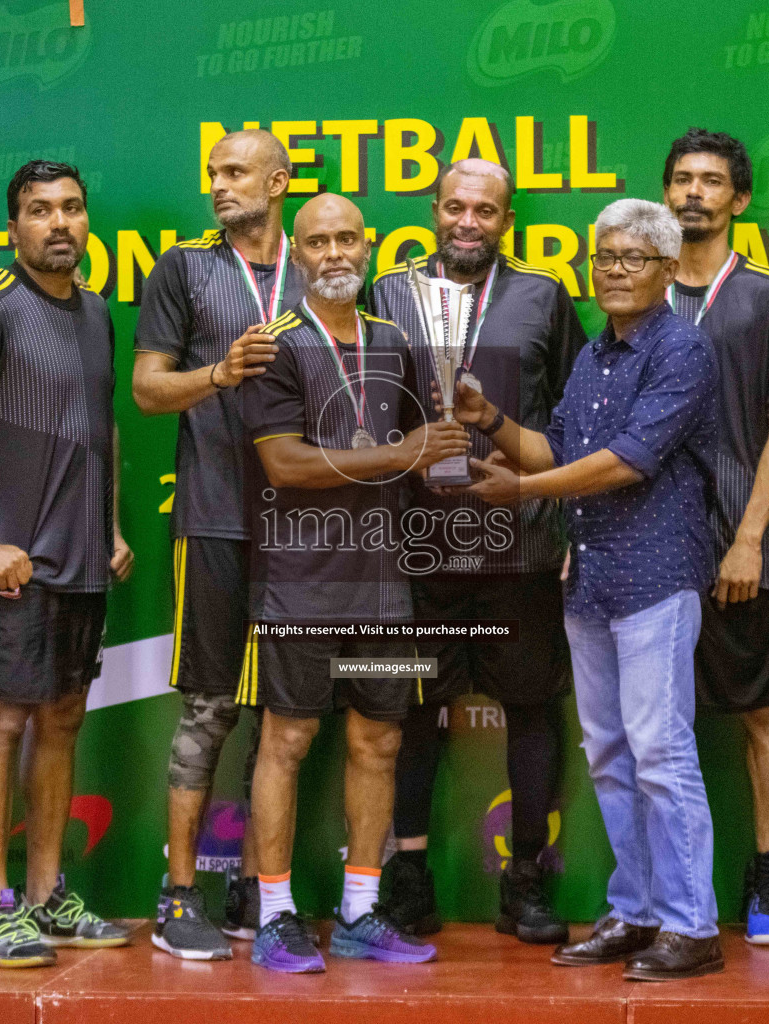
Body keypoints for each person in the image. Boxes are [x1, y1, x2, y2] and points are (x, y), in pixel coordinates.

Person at [458, 198, 722, 981]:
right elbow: (560, 446)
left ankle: (691, 925)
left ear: (669, 270)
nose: (612, 269)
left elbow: (626, 462)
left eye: (632, 258)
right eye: (603, 256)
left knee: (661, 753)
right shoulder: (593, 355)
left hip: (657, 579)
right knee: (609, 754)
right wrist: (494, 419)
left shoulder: (682, 351)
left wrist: (525, 490)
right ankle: (637, 910)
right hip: (593, 581)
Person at [240, 194, 467, 973]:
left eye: (347, 237)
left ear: (367, 247)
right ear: (296, 254)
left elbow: (415, 460)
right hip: (301, 584)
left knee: (380, 740)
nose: (334, 251)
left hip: (384, 586)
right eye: (318, 241)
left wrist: (459, 464)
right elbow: (287, 464)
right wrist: (405, 452)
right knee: (290, 738)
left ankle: (362, 911)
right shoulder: (274, 345)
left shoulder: (398, 342)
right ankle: (274, 915)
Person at [0, 160, 132, 968]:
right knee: (3, 720)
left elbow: (96, 429)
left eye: (72, 208)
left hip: (81, 561)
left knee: (63, 719)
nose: (59, 224)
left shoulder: (99, 313)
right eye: (40, 211)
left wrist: (108, 526)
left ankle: (46, 894)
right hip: (14, 563)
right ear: (13, 229)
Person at [368, 158, 586, 944]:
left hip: (518, 548)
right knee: (411, 711)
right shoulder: (385, 293)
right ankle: (409, 876)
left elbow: (576, 424)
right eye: (455, 206)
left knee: (531, 707)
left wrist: (568, 521)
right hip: (413, 550)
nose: (468, 221)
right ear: (433, 208)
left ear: (506, 221)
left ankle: (527, 881)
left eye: (486, 211)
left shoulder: (544, 296)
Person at [134, 130, 304, 958]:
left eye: (234, 173)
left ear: (279, 181)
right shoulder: (185, 270)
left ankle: (254, 888)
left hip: (309, 531)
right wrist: (220, 374)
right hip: (213, 518)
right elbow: (145, 389)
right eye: (212, 172)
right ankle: (177, 895)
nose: (217, 186)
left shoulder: (321, 269)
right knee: (210, 708)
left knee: (286, 713)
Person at [662, 128, 769, 944]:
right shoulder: (634, 287)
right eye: (682, 179)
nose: (694, 193)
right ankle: (663, 889)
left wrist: (754, 536)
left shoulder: (768, 297)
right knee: (656, 728)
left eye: (711, 181)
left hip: (731, 544)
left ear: (739, 199)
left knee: (760, 714)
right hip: (651, 545)